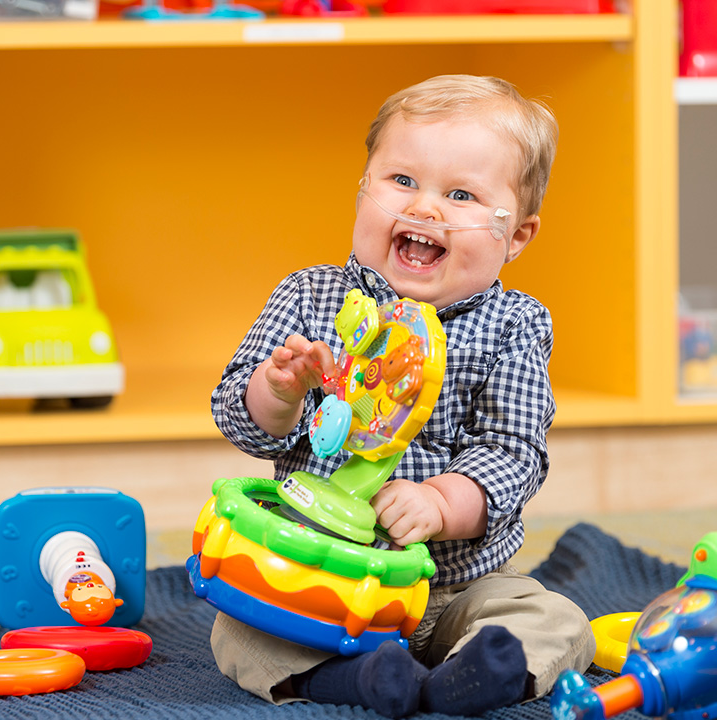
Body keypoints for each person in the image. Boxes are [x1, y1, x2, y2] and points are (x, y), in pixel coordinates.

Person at [209, 74, 595, 718]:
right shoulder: (311, 296)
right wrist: (277, 391)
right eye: (402, 181)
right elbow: (240, 422)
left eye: (462, 194)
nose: (426, 209)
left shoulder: (517, 324)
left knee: (556, 619)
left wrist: (441, 501)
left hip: (455, 585)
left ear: (516, 236)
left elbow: (514, 452)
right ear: (363, 191)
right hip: (317, 581)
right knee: (239, 630)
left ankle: (472, 677)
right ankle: (355, 680)